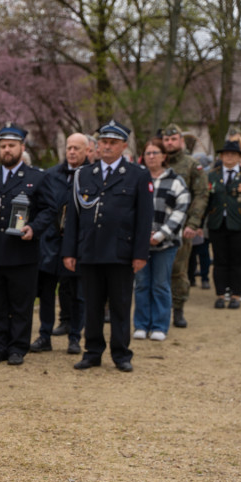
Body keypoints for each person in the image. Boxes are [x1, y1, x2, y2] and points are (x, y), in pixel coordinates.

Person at [62, 120, 153, 372]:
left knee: (120, 306)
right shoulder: (84, 174)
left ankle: (121, 354)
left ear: (124, 146)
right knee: (92, 305)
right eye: (104, 142)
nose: (107, 146)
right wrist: (69, 251)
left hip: (120, 252)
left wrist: (140, 254)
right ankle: (92, 352)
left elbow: (144, 219)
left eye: (113, 142)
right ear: (97, 145)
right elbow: (73, 217)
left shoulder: (138, 175)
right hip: (90, 250)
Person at [0, 124, 44, 366]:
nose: (7, 150)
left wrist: (34, 228)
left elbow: (49, 210)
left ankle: (17, 348)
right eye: (3, 146)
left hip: (23, 253)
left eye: (11, 146)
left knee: (21, 304)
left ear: (22, 147)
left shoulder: (36, 177)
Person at [31, 133, 88, 355]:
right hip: (50, 243)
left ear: (86, 151)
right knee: (47, 292)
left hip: (76, 244)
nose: (72, 152)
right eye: (69, 148)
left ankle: (75, 337)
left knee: (76, 293)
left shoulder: (91, 175)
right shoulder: (51, 175)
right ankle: (44, 335)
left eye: (77, 148)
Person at [133, 139, 190, 340]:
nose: (151, 157)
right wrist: (141, 234)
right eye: (147, 153)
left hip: (166, 243)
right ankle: (141, 324)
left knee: (160, 284)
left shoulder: (175, 181)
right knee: (141, 284)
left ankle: (159, 325)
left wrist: (161, 234)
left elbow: (181, 211)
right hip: (140, 242)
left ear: (164, 156)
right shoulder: (138, 178)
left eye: (155, 153)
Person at [203, 140, 241, 309]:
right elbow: (206, 200)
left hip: (240, 224)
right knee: (219, 261)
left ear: (239, 157)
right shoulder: (212, 175)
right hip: (217, 223)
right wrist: (199, 223)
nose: (229, 157)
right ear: (221, 157)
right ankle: (220, 295)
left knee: (238, 260)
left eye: (233, 154)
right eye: (226, 154)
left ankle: (236, 295)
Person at [160, 124, 209, 328]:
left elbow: (201, 194)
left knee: (178, 270)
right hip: (156, 225)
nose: (170, 143)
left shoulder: (191, 165)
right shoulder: (156, 161)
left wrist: (194, 223)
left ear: (181, 141)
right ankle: (158, 311)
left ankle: (178, 309)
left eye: (173, 139)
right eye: (166, 139)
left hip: (181, 227)